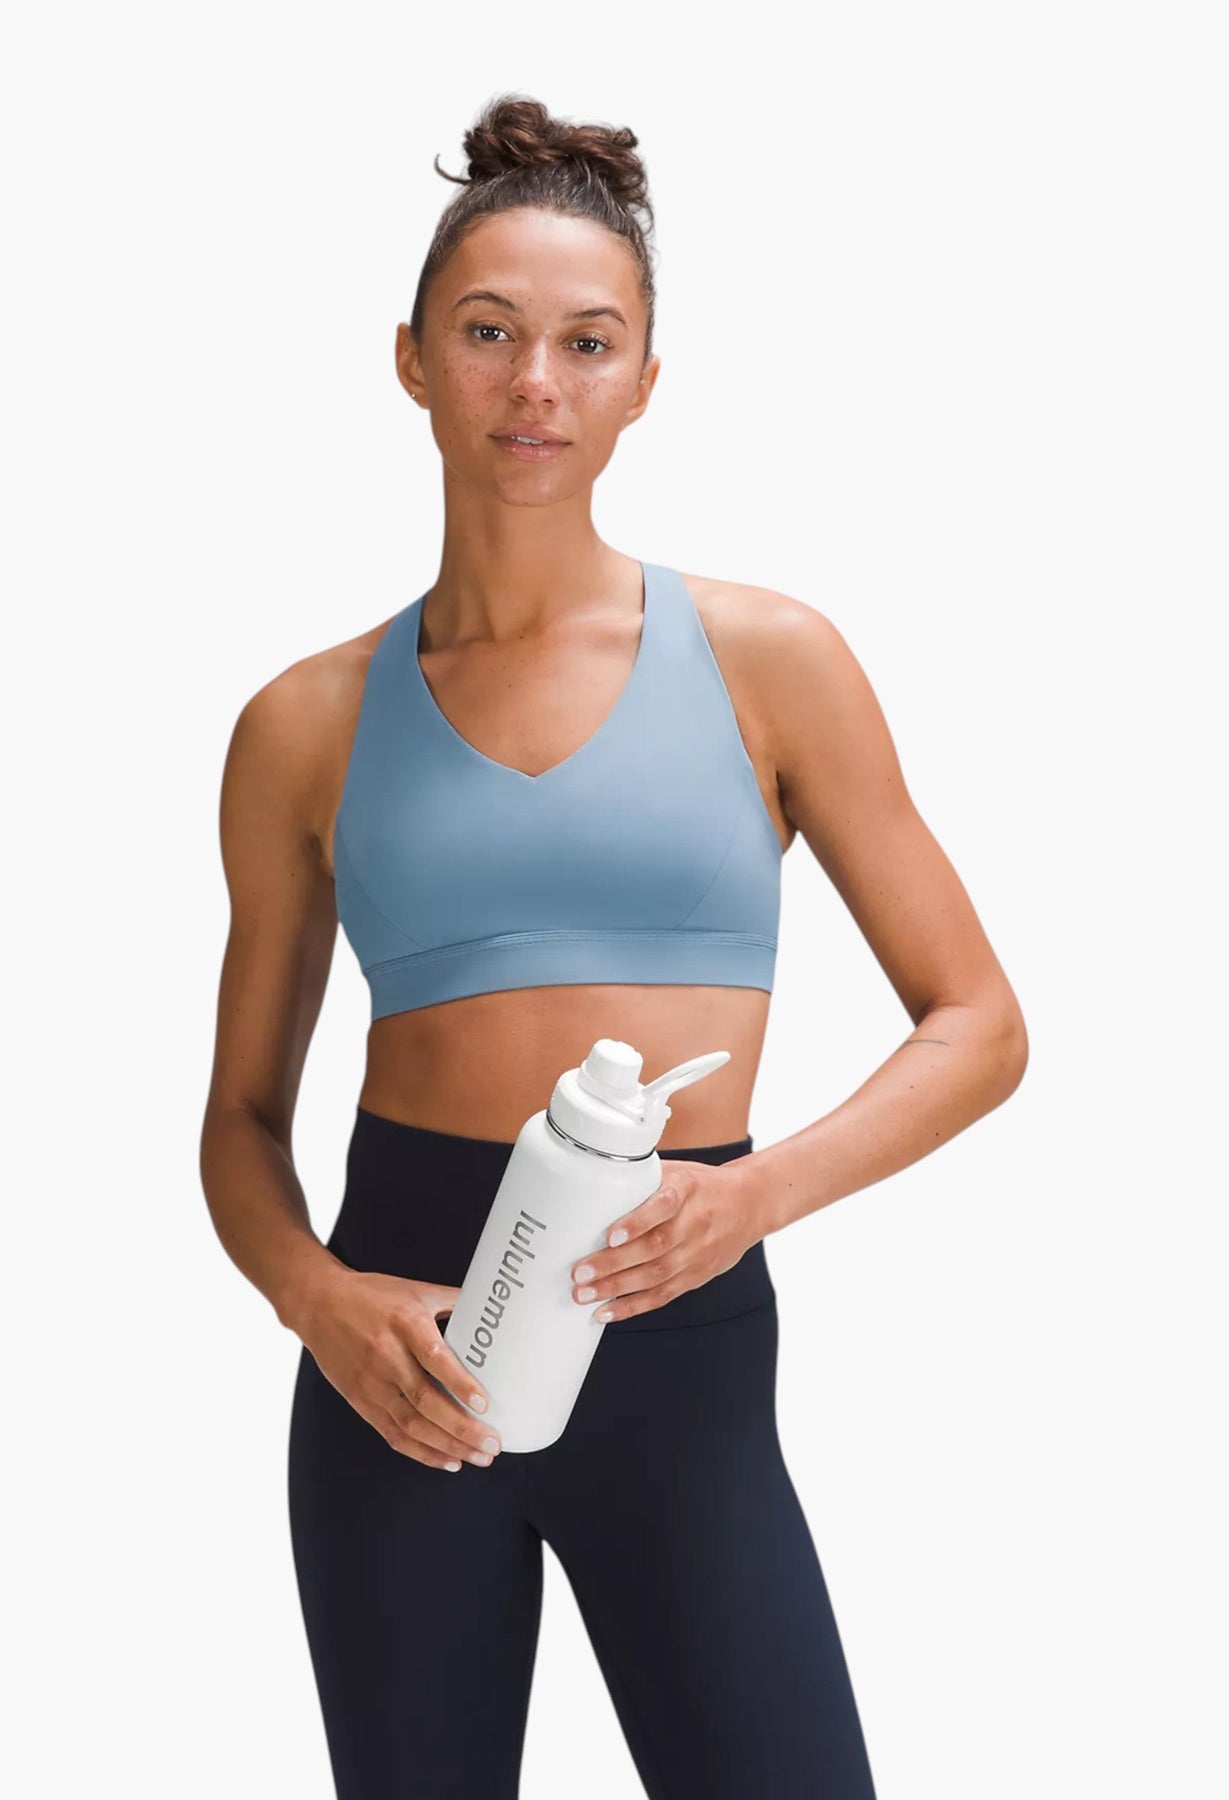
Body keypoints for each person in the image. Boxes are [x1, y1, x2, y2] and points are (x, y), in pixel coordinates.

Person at [200, 91, 1028, 1800]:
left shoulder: (768, 659)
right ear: (411, 358)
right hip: (398, 1353)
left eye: (587, 342)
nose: (536, 383)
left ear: (645, 379)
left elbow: (977, 1022)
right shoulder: (302, 724)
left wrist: (755, 1195)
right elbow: (241, 1122)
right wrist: (317, 1301)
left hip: (681, 1331)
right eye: (487, 332)